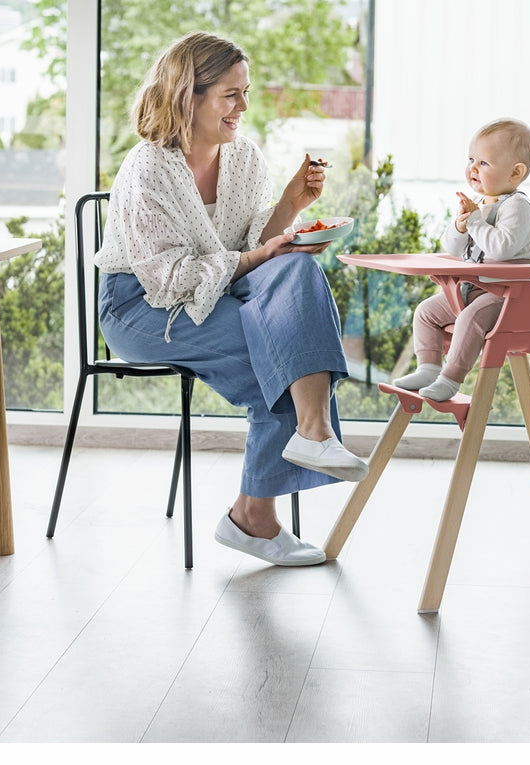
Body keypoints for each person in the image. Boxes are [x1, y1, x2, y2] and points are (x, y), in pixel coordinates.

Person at [94, 31, 367, 568]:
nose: (244, 106)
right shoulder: (147, 169)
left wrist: (292, 203)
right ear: (187, 96)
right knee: (280, 353)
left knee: (296, 267)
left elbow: (252, 246)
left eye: (246, 92)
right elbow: (169, 278)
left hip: (218, 285)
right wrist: (259, 257)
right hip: (142, 306)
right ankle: (254, 518)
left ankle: (313, 434)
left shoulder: (243, 158)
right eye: (231, 94)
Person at [394, 118, 530, 402]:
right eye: (471, 159)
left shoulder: (517, 206)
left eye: (484, 163)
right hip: (473, 289)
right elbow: (451, 249)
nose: (473, 168)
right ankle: (428, 368)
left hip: (508, 295)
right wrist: (461, 226)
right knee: (426, 311)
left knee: (470, 318)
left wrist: (474, 222)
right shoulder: (480, 203)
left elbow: (502, 249)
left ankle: (451, 378)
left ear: (515, 172)